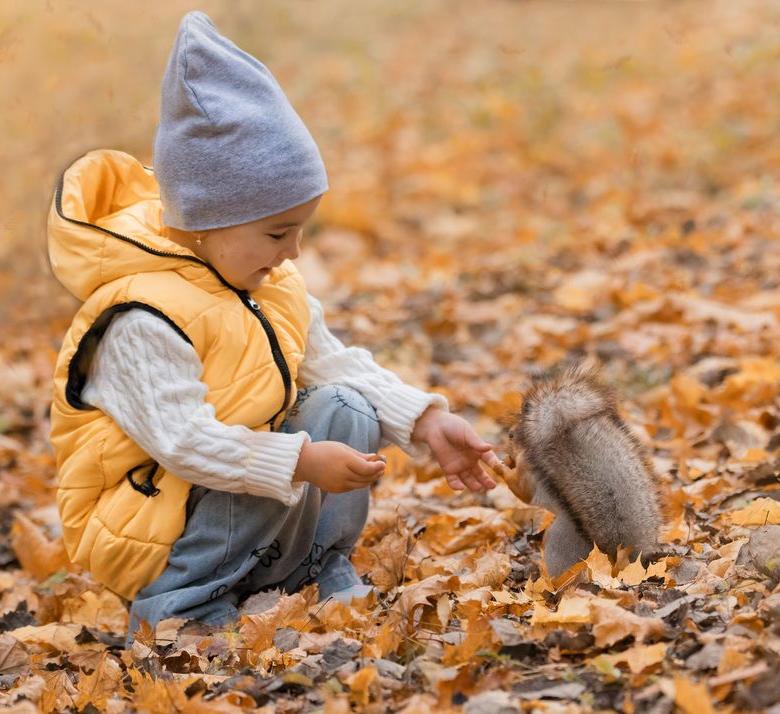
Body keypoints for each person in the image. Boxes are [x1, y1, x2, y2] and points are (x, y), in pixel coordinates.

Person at [47, 11, 499, 640]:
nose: (293, 251)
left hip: (234, 496)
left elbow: (335, 362)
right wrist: (301, 460)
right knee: (270, 453)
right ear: (206, 219)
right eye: (277, 232)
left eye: (301, 229)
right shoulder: (139, 317)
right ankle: (181, 605)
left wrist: (425, 420)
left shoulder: (262, 279)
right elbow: (183, 442)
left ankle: (313, 571)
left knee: (343, 403)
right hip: (152, 522)